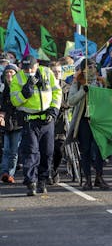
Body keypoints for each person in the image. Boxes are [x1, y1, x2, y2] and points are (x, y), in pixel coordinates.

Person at [10, 55, 61, 196]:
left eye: (31, 68)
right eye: (25, 69)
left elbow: (57, 91)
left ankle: (42, 181)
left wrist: (54, 110)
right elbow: (14, 101)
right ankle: (30, 182)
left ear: (36, 65)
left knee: (47, 152)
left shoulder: (47, 72)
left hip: (47, 120)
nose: (28, 71)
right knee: (31, 152)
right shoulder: (18, 78)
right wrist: (25, 92)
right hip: (29, 121)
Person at [67, 58, 109, 191]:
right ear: (83, 69)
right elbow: (71, 101)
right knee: (85, 150)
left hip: (98, 121)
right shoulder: (77, 83)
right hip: (83, 121)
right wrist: (83, 91)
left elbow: (108, 99)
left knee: (99, 150)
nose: (92, 69)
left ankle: (99, 177)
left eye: (93, 66)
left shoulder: (101, 82)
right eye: (88, 66)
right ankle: (88, 180)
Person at [48, 61, 71, 184]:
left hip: (62, 122)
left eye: (59, 72)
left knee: (59, 149)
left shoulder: (67, 87)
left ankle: (55, 169)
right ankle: (47, 171)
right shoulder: (45, 87)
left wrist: (62, 105)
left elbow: (70, 102)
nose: (57, 74)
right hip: (48, 121)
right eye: (54, 72)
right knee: (47, 150)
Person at [0, 64, 23, 184]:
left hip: (18, 123)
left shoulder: (19, 87)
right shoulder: (3, 89)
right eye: (7, 72)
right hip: (6, 123)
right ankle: (4, 173)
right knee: (6, 150)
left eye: (11, 72)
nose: (9, 74)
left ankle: (10, 173)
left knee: (14, 151)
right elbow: (2, 106)